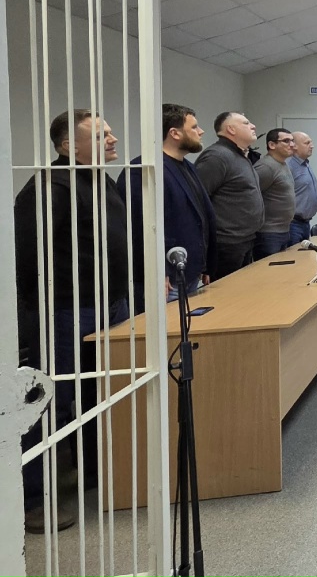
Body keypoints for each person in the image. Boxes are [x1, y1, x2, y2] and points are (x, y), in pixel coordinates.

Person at [15, 110, 131, 533]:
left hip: (109, 304)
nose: (113, 139)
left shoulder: (100, 179)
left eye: (109, 132)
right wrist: (46, 306)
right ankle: (31, 498)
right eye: (100, 135)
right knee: (52, 399)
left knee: (99, 393)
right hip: (66, 310)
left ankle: (93, 471)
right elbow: (27, 254)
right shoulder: (50, 186)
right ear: (69, 146)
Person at [119, 103, 217, 309]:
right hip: (167, 278)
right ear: (174, 133)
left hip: (189, 271)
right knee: (167, 328)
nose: (201, 131)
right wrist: (158, 271)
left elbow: (200, 217)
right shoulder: (144, 170)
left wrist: (205, 264)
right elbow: (141, 227)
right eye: (194, 127)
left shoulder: (188, 166)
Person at [194, 111, 263, 279]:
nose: (253, 126)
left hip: (245, 240)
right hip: (226, 244)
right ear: (231, 129)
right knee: (227, 293)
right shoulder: (217, 156)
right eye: (246, 123)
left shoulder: (240, 155)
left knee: (242, 290)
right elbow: (198, 200)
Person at [254, 128, 296, 259]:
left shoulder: (282, 164)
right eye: (286, 141)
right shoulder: (266, 167)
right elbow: (251, 196)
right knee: (270, 270)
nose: (292, 145)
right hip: (267, 232)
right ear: (272, 145)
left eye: (292, 141)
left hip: (283, 230)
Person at [288, 131, 317, 245]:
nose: (312, 146)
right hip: (293, 224)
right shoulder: (289, 166)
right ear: (294, 146)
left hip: (305, 223)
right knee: (294, 255)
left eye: (311, 142)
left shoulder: (305, 164)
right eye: (307, 143)